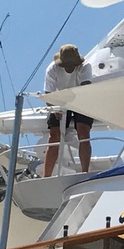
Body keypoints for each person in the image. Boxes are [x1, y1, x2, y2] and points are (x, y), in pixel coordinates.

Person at [44, 43, 94, 177]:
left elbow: (85, 88)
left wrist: (76, 105)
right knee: (54, 136)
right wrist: (55, 109)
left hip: (81, 100)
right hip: (59, 100)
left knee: (83, 133)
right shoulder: (52, 69)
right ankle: (46, 176)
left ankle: (84, 172)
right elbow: (48, 94)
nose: (68, 67)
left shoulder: (85, 67)